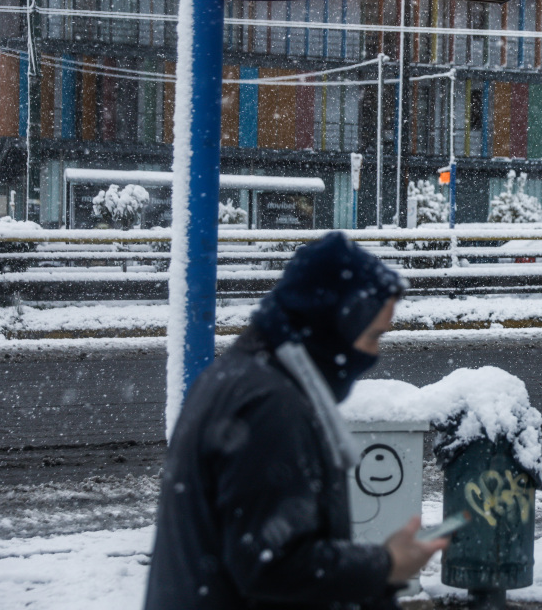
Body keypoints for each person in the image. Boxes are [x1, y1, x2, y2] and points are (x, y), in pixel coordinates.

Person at [145, 232, 447, 610]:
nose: (374, 354)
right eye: (372, 336)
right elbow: (271, 564)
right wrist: (385, 565)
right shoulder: (269, 406)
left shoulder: (245, 376)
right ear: (333, 326)